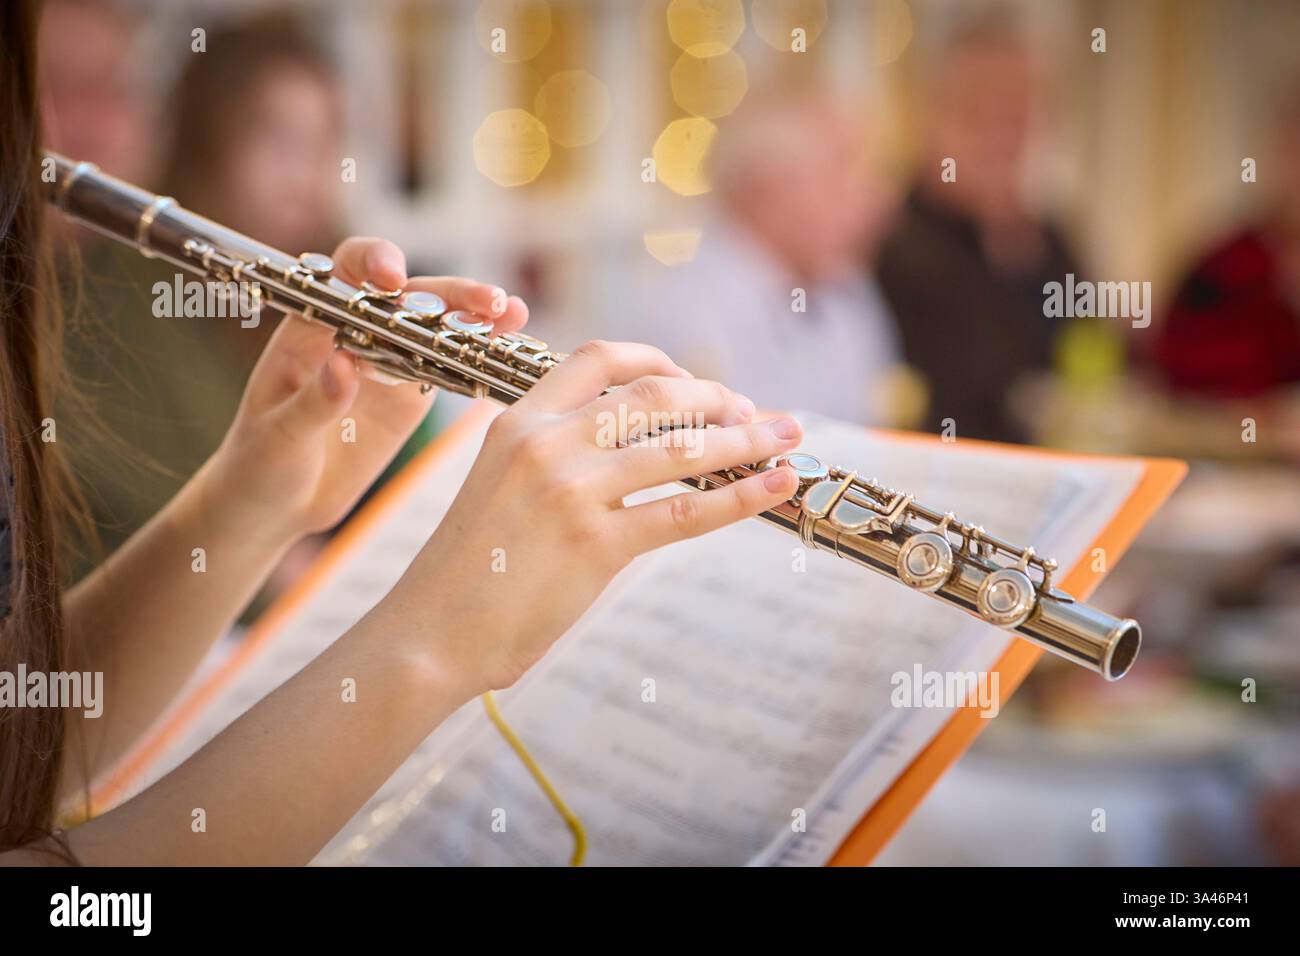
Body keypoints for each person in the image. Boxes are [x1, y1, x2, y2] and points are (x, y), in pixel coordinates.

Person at [0, 0, 802, 863]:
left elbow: (16, 752)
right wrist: (435, 643)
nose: (65, 134)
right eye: (29, 87)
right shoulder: (96, 312)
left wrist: (253, 501)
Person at [625, 86, 901, 425]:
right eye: (841, 173)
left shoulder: (848, 293)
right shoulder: (677, 308)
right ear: (763, 188)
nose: (879, 199)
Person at [875, 19, 1079, 444]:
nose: (1000, 136)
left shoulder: (1053, 241)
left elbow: (1103, 362)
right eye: (977, 112)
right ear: (932, 113)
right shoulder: (887, 241)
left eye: (1017, 114)